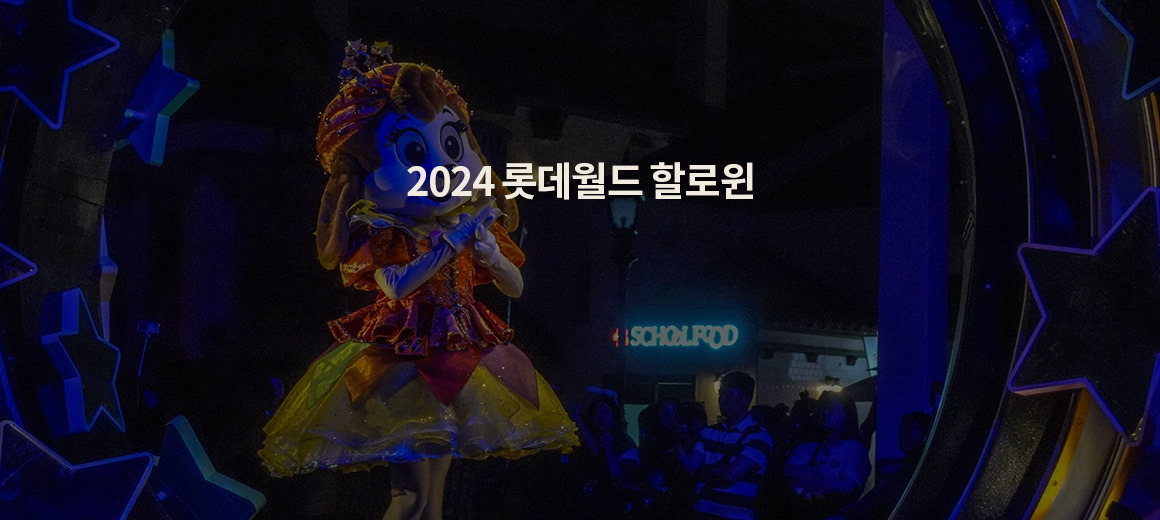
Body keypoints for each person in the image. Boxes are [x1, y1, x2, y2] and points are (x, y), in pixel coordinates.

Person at [259, 49, 578, 520]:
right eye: (413, 152)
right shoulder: (387, 231)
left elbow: (514, 288)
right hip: (403, 355)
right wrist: (451, 244)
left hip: (460, 352)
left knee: (433, 500)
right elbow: (394, 286)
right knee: (408, 495)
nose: (443, 168)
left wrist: (490, 255)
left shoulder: (464, 224)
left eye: (452, 145)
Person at [682, 372, 773, 520]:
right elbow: (692, 468)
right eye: (721, 394)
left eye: (729, 395)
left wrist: (701, 472)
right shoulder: (709, 432)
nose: (722, 400)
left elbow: (729, 476)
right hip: (702, 512)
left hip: (736, 515)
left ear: (745, 399)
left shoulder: (759, 436)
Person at [783, 391, 871, 520]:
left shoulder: (855, 449)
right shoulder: (806, 447)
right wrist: (819, 473)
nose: (825, 412)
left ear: (847, 413)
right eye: (822, 407)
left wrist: (805, 478)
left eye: (831, 408)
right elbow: (788, 471)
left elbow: (846, 486)